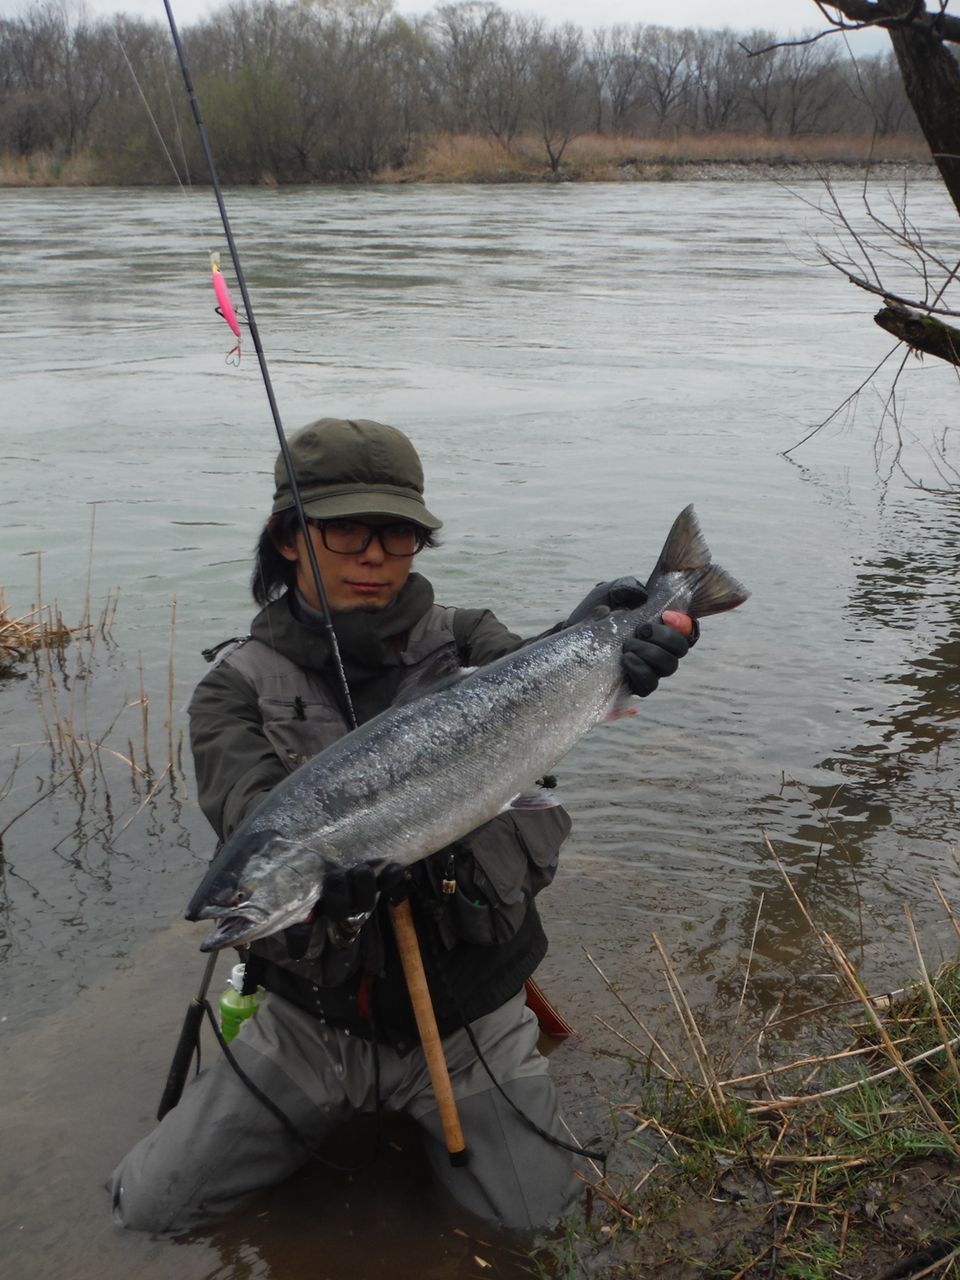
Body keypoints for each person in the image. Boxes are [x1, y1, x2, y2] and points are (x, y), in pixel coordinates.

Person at [110, 417, 696, 1235]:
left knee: (538, 1230)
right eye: (346, 529)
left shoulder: (467, 640)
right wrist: (326, 885)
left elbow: (541, 693)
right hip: (310, 1025)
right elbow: (252, 817)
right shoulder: (233, 690)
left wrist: (616, 645)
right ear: (287, 538)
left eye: (398, 533)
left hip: (470, 1017)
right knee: (148, 1213)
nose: (375, 555)